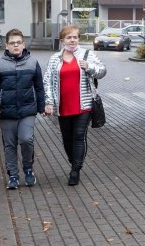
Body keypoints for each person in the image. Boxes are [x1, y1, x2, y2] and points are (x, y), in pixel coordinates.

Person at [43, 24, 106, 186]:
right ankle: (74, 161)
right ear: (62, 40)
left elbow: (102, 71)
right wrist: (49, 102)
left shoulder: (86, 54)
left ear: (79, 39)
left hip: (83, 105)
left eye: (75, 37)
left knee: (79, 136)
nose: (72, 40)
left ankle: (75, 170)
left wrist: (89, 67)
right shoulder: (55, 58)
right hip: (62, 105)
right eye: (69, 37)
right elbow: (47, 82)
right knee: (67, 138)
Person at [0, 29, 45, 190]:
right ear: (7, 46)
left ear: (23, 44)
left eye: (19, 42)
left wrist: (42, 107)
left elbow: (39, 88)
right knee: (9, 144)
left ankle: (28, 168)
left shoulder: (33, 63)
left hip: (27, 111)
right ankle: (13, 175)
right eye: (12, 43)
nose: (16, 45)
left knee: (26, 139)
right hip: (7, 112)